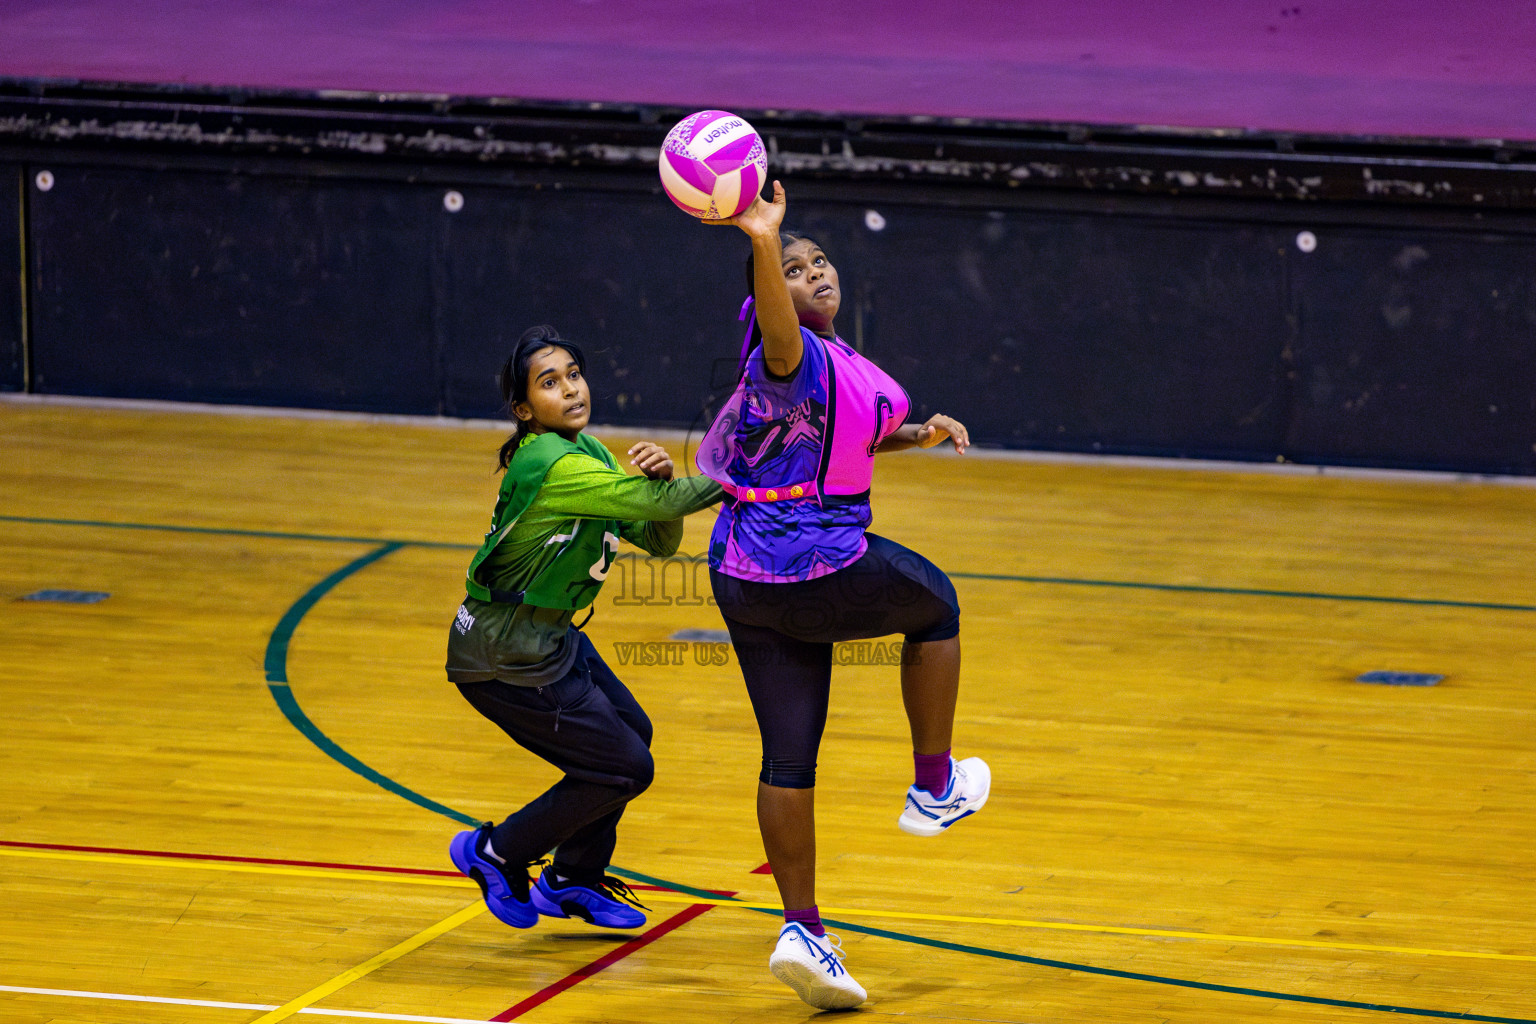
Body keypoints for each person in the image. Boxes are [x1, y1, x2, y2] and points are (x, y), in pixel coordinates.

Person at [697, 182, 991, 1009]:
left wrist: (916, 433)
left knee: (789, 757)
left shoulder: (835, 363)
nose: (814, 272)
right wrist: (762, 238)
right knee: (935, 604)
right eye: (796, 269)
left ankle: (805, 932)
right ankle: (933, 787)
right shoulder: (781, 355)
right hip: (810, 557)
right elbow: (780, 335)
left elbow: (840, 441)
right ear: (769, 295)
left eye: (819, 261)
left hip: (743, 576)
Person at [447, 325, 722, 932]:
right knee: (625, 767)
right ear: (524, 410)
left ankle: (571, 877)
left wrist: (658, 483)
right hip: (505, 653)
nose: (571, 390)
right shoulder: (547, 458)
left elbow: (657, 536)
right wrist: (742, 466)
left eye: (574, 374)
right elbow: (672, 508)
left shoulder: (588, 452)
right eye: (550, 383)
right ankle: (495, 852)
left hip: (551, 638)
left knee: (631, 734)